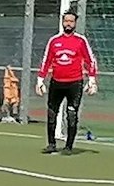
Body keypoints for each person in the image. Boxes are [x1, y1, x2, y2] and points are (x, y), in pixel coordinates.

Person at [36, 10, 98, 154]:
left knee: (71, 114)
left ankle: (69, 146)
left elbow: (90, 60)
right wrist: (40, 79)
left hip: (74, 83)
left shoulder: (80, 41)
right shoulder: (54, 41)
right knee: (52, 113)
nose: (68, 23)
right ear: (62, 22)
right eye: (66, 21)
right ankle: (51, 144)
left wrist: (92, 80)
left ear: (75, 23)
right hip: (56, 83)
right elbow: (46, 61)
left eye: (71, 21)